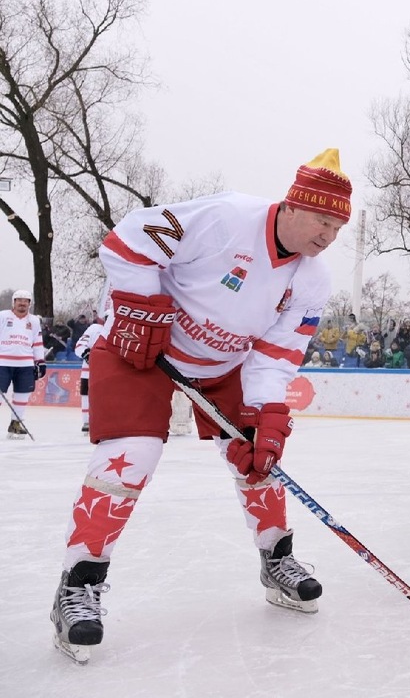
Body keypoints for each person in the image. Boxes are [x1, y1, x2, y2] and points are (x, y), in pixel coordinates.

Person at [48, 149, 352, 664]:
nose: (327, 234)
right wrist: (141, 305)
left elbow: (275, 356)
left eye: (338, 225)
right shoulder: (228, 218)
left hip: (225, 365)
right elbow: (129, 240)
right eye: (321, 218)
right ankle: (78, 585)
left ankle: (277, 559)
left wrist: (266, 413)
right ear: (293, 207)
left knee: (259, 457)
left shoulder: (312, 279)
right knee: (132, 456)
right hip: (145, 348)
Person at [1, 290, 46, 439]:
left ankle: (15, 424)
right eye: (19, 300)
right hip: (3, 362)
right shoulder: (2, 316)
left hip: (26, 364)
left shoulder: (33, 321)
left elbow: (37, 343)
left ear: (29, 303)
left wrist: (40, 362)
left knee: (22, 394)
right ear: (13, 302)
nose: (22, 303)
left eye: (25, 301)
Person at [73, 309, 108, 434]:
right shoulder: (94, 329)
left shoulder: (119, 330)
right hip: (89, 372)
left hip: (109, 373)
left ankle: (105, 421)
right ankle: (87, 421)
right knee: (87, 395)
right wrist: (86, 354)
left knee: (107, 397)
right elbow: (79, 346)